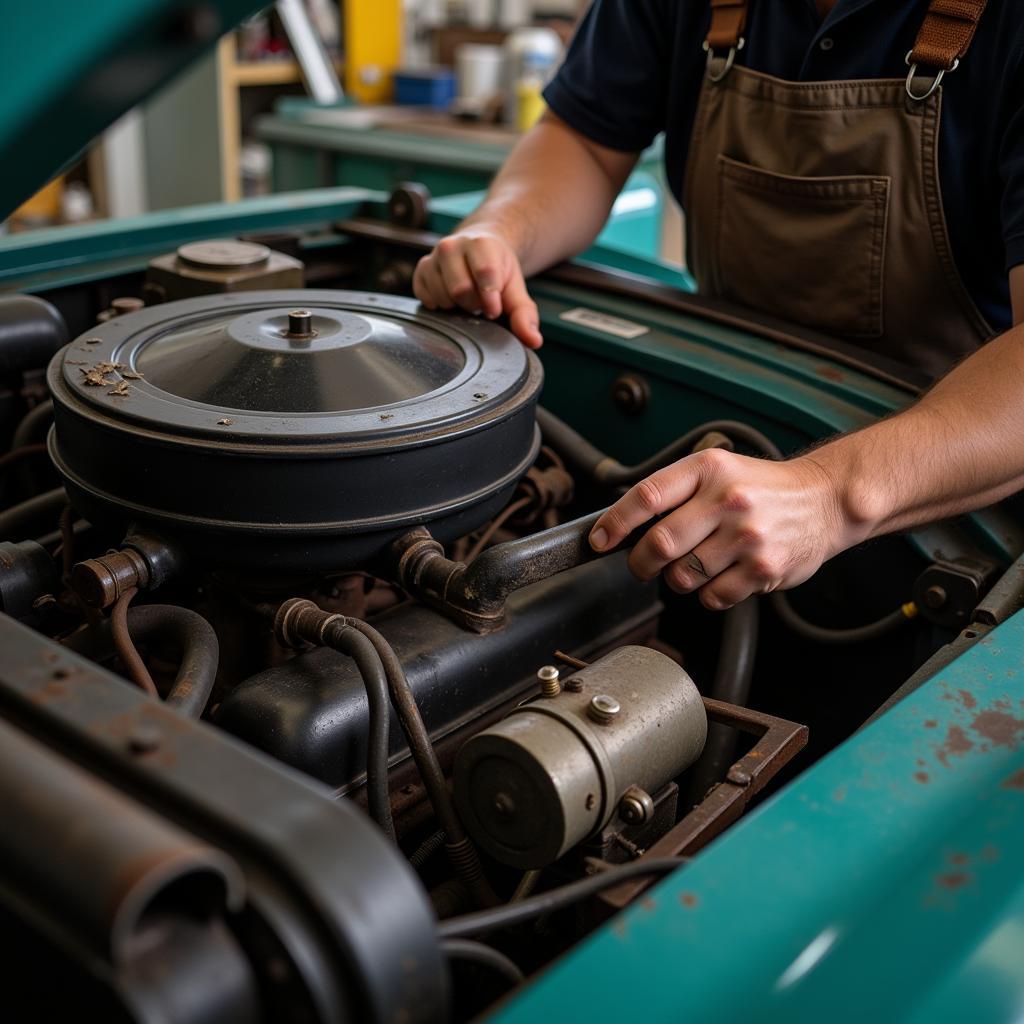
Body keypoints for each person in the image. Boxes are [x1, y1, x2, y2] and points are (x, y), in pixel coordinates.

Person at [413, 0, 1024, 611]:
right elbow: (587, 142)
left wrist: (830, 494)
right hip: (726, 433)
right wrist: (501, 231)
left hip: (946, 480)